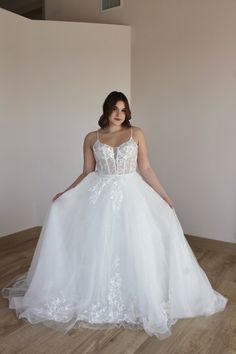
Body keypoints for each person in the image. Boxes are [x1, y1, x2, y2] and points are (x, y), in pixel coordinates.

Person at [2, 91, 228, 340]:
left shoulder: (136, 133)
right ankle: (95, 292)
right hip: (99, 195)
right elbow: (87, 171)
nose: (120, 114)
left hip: (133, 195)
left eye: (123, 109)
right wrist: (66, 193)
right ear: (106, 110)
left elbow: (146, 167)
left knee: (135, 245)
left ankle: (141, 293)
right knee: (98, 246)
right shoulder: (91, 137)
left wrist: (164, 196)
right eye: (115, 109)